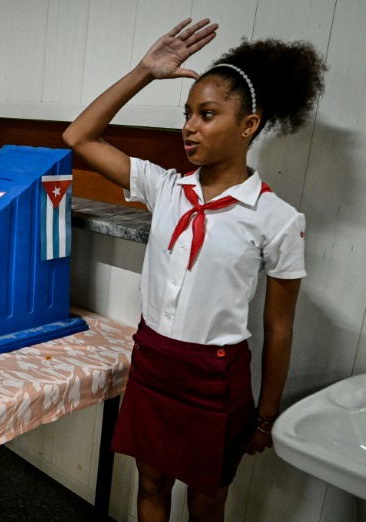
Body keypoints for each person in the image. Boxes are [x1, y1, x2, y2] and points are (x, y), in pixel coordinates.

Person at [63, 18, 326, 522]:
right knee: (151, 485)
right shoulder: (164, 187)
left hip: (216, 378)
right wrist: (144, 71)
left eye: (207, 115)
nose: (189, 127)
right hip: (154, 361)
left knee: (207, 501)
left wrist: (265, 416)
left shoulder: (277, 219)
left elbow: (278, 327)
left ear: (249, 125)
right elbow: (79, 135)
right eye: (187, 114)